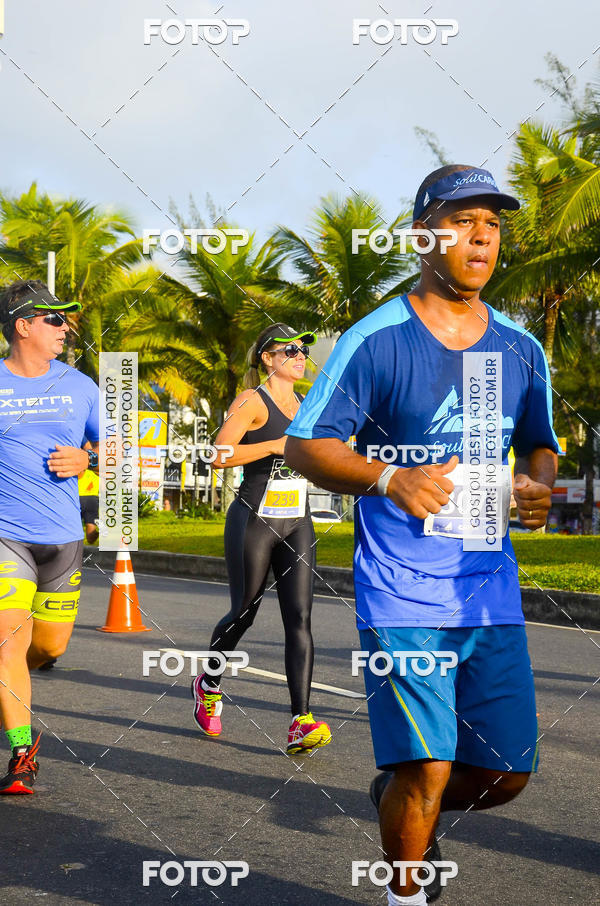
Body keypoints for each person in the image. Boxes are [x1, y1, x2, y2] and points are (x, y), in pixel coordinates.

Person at [285, 166, 559, 904]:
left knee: (505, 774)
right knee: (429, 767)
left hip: (487, 587)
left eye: (493, 224)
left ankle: (402, 799)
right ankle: (406, 889)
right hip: (403, 588)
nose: (481, 236)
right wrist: (389, 479)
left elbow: (539, 441)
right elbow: (306, 445)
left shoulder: (518, 346)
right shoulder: (377, 340)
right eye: (463, 219)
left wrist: (536, 485)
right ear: (422, 236)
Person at [191, 324, 332, 755]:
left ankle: (300, 722)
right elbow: (216, 454)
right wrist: (273, 445)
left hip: (298, 521)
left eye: (303, 348)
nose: (299, 354)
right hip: (254, 519)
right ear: (267, 359)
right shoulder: (251, 401)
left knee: (300, 617)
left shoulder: (308, 404)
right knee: (244, 613)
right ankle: (208, 682)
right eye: (289, 349)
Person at [0, 279, 100, 794]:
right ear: (23, 325)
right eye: (55, 319)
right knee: (7, 643)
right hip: (6, 538)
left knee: (44, 647)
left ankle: (10, 680)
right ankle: (22, 753)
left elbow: (122, 451)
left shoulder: (80, 386)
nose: (66, 328)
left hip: (62, 540)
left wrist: (90, 458)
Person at [78, 441, 100, 545]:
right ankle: (100, 531)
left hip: (75, 499)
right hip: (92, 500)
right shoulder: (95, 469)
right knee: (90, 537)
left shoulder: (75, 468)